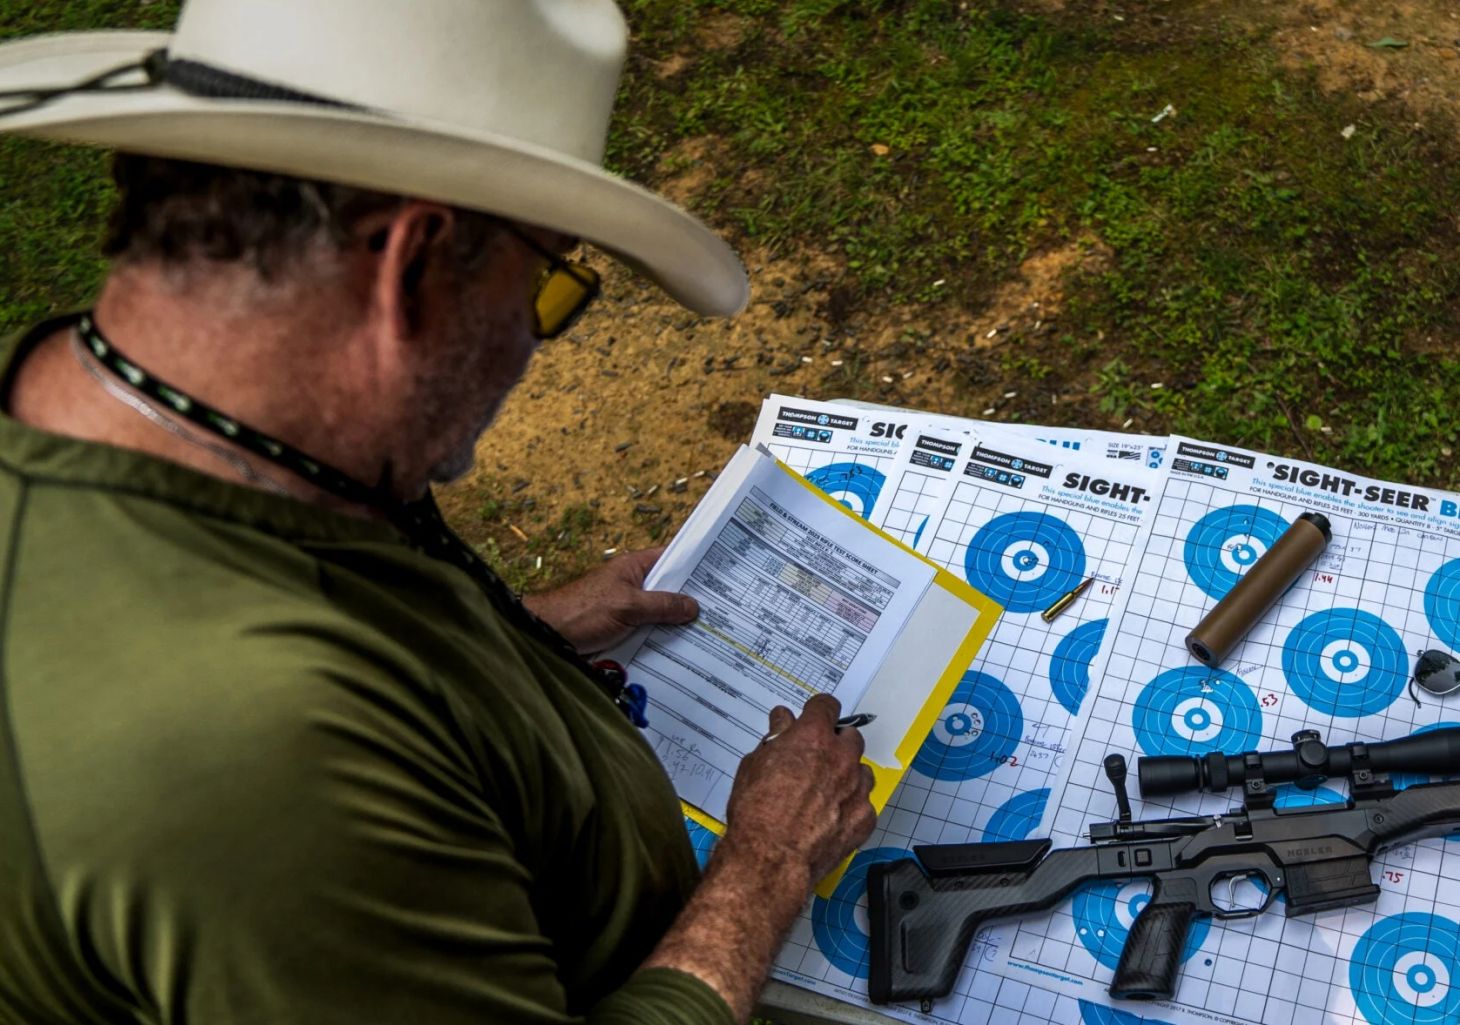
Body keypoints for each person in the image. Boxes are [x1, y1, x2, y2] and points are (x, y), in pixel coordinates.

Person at [0, 3, 876, 1024]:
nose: (532, 343)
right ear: (409, 266)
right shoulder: (265, 755)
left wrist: (525, 635)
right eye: (547, 284)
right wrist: (764, 865)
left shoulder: (108, 407)